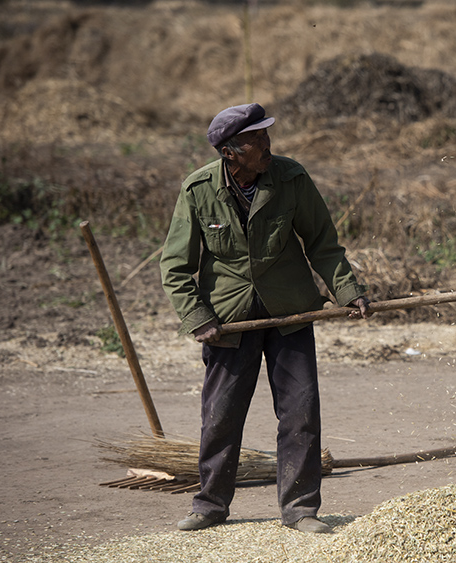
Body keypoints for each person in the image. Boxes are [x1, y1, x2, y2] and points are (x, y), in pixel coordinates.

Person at [159, 102, 372, 534]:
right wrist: (198, 317)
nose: (267, 144)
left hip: (290, 310)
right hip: (228, 319)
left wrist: (349, 291)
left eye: (265, 135)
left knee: (301, 411)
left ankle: (300, 509)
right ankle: (211, 505)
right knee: (220, 414)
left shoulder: (291, 178)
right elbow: (175, 266)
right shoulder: (198, 189)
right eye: (256, 139)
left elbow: (323, 244)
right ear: (230, 153)